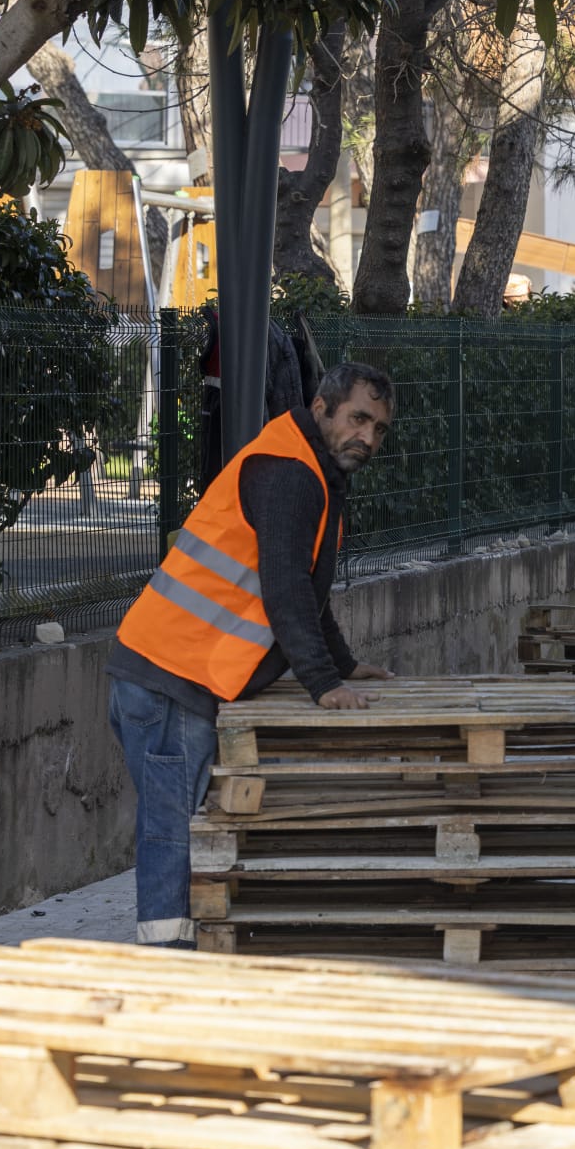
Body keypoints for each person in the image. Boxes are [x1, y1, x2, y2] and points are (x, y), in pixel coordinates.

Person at [106, 361, 398, 946]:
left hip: (175, 671)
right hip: (171, 677)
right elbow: (285, 586)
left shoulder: (309, 468)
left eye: (380, 428)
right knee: (173, 829)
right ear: (322, 410)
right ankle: (165, 962)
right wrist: (324, 684)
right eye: (358, 419)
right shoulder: (290, 472)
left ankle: (174, 953)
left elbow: (306, 588)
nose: (367, 437)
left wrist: (340, 665)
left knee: (180, 822)